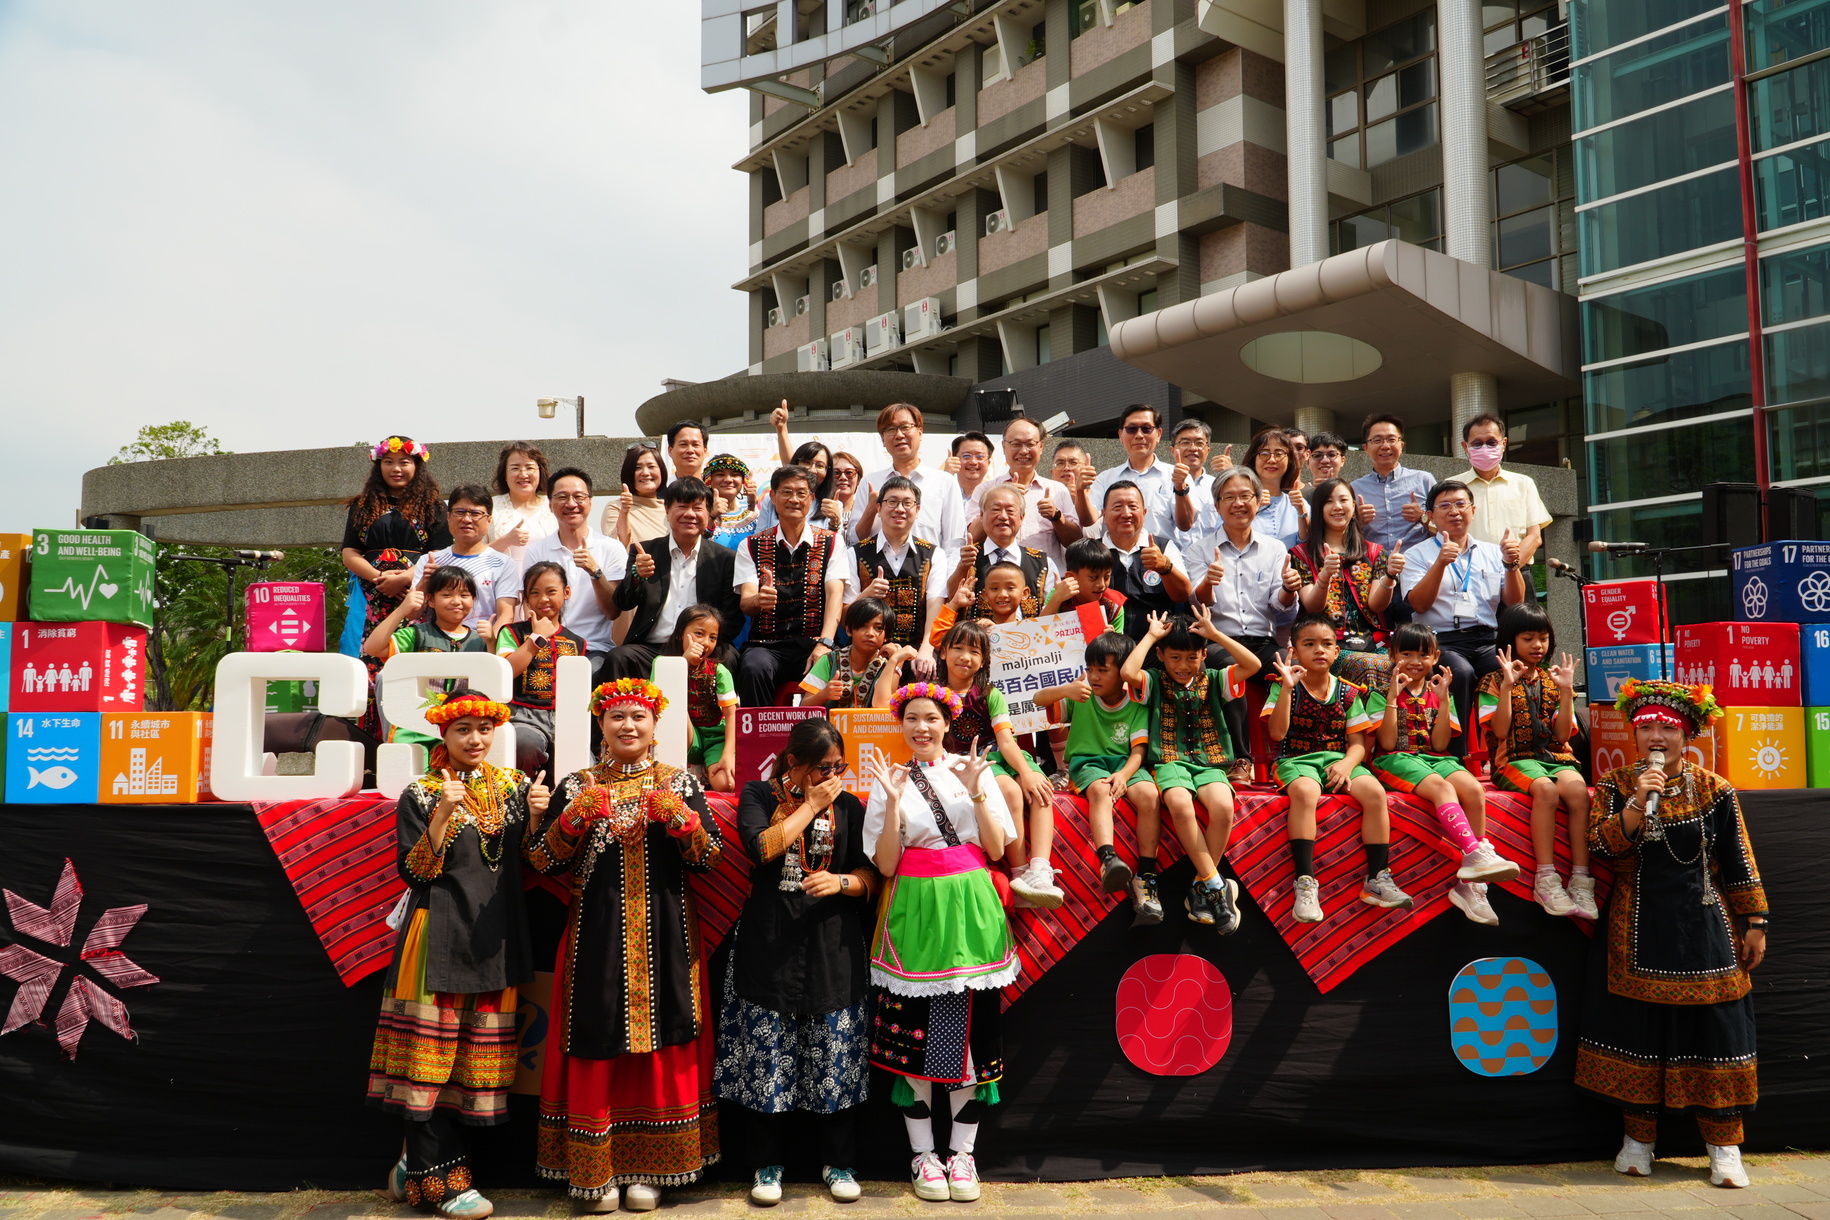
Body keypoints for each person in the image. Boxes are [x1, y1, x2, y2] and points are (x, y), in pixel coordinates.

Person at [527, 678, 723, 1211]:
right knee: (597, 1030)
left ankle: (658, 1170)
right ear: (601, 726)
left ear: (656, 725)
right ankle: (597, 1171)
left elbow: (709, 860)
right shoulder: (578, 785)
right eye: (617, 718)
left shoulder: (679, 783)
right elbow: (543, 863)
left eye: (638, 716)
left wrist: (682, 824)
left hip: (667, 933)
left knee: (668, 1033)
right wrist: (570, 819)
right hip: (598, 936)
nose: (628, 725)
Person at [1576, 680, 1768, 1190]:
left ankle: (1724, 1149)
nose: (1656, 736)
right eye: (1646, 729)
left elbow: (1738, 858)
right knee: (1639, 1030)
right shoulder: (1617, 785)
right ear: (1634, 737)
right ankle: (1637, 1143)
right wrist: (1639, 803)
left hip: (1706, 928)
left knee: (1716, 1032)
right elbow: (1603, 847)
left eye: (1667, 727)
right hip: (1636, 927)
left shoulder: (1715, 789)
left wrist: (1756, 922)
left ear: (1687, 734)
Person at [370, 689, 547, 1220]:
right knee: (428, 1063)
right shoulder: (421, 793)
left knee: (473, 1065)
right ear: (442, 736)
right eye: (463, 729)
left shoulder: (516, 787)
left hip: (496, 938)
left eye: (484, 729)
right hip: (437, 936)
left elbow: (536, 866)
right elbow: (416, 872)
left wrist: (537, 820)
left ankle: (412, 1162)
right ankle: (442, 1185)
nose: (475, 739)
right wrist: (444, 815)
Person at [864, 683, 1017, 1205]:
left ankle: (963, 1154)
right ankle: (923, 1156)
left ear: (947, 723)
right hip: (915, 911)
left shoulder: (974, 771)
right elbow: (886, 865)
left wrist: (976, 787)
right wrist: (887, 801)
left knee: (973, 1037)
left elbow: (996, 848)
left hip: (972, 908)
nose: (921, 727)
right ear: (900, 725)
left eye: (930, 718)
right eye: (912, 719)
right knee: (916, 1037)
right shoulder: (891, 780)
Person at [717, 718, 876, 1207]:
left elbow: (871, 871)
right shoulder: (759, 796)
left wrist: (843, 883)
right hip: (772, 942)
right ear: (793, 762)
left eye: (839, 767)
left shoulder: (850, 806)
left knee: (834, 1054)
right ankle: (767, 1167)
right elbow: (761, 848)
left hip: (833, 945)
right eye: (822, 767)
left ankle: (838, 1162)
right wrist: (809, 805)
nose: (832, 776)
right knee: (769, 1056)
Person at [1366, 622, 1519, 926]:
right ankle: (1474, 852)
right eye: (1406, 653)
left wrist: (1446, 697)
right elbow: (1384, 742)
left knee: (1475, 790)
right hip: (1395, 758)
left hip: (1435, 756)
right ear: (1392, 655)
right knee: (1442, 789)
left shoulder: (1438, 691)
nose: (1415, 661)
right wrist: (1393, 699)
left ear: (1435, 657)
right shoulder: (1379, 691)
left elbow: (1439, 743)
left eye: (1423, 655)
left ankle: (1471, 885)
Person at [1264, 615, 1412, 923]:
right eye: (1309, 644)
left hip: (1337, 759)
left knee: (1374, 792)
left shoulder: (1349, 692)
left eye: (1327, 644)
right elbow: (1277, 734)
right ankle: (1305, 882)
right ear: (1294, 650)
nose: (1319, 650)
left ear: (1336, 652)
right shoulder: (1283, 686)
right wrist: (1288, 690)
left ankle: (1377, 878)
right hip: (1295, 760)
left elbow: (1357, 744)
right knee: (1305, 792)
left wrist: (1346, 764)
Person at [900, 621, 1061, 907]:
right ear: (944, 652)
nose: (965, 657)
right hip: (970, 761)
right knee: (1010, 792)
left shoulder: (990, 693)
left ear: (984, 659)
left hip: (1001, 753)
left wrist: (1027, 771)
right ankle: (1019, 872)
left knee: (1040, 788)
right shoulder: (932, 693)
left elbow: (1007, 741)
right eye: (958, 648)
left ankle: (1040, 869)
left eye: (974, 651)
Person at [1122, 610, 1262, 931]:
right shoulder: (1154, 680)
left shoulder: (1214, 678)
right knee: (1180, 804)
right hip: (1169, 760)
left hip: (1210, 761)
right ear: (1160, 655)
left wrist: (1216, 636)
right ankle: (1215, 885)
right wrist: (1151, 635)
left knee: (1225, 807)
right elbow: (1129, 672)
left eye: (1192, 657)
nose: (1183, 666)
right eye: (1174, 657)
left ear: (1203, 655)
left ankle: (1201, 885)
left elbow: (1253, 665)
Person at [1478, 602, 1596, 919]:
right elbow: (1500, 731)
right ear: (1510, 640)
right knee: (1546, 791)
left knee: (1578, 793)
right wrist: (1506, 685)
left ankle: (1582, 881)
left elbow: (1562, 736)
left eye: (1542, 638)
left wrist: (1568, 691)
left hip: (1555, 757)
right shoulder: (1491, 681)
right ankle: (1546, 879)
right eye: (1528, 638)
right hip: (1513, 759)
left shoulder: (1551, 680)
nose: (1537, 645)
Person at [1396, 479, 1529, 756]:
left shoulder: (1493, 552)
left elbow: (1514, 602)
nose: (1454, 511)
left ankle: (1511, 754)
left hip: (1486, 638)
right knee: (1461, 672)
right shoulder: (1417, 554)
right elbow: (1419, 604)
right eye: (1444, 506)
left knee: (1510, 669)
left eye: (1460, 504)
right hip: (1440, 642)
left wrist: (1511, 565)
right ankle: (1457, 756)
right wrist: (1441, 563)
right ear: (1430, 516)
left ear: (1473, 510)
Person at [1188, 468, 1302, 777]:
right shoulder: (1199, 549)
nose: (1239, 504)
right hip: (1217, 640)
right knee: (1229, 671)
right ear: (1217, 505)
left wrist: (1290, 590)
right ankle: (1241, 759)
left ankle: (1298, 754)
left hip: (1262, 642)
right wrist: (1208, 583)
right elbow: (1196, 604)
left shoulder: (1275, 549)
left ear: (1257, 501)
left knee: (1298, 670)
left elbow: (1281, 610)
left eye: (1245, 496)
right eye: (1230, 498)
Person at [1034, 632, 1158, 906]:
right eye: (1090, 669)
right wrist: (1066, 690)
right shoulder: (1080, 695)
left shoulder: (1137, 701)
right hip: (1088, 763)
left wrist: (1124, 776)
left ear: (1123, 672)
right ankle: (1108, 858)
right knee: (1101, 791)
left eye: (1103, 670)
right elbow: (1038, 699)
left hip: (1125, 764)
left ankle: (1147, 874)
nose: (1094, 677)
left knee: (1150, 795)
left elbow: (1139, 750)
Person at [342, 435, 451, 734]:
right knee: (370, 666)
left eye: (404, 462)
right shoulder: (362, 505)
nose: (396, 468)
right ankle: (372, 748)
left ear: (417, 464)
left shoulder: (433, 506)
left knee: (419, 667)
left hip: (418, 596)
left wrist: (405, 577)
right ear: (378, 466)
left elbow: (442, 553)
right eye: (388, 462)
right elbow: (350, 552)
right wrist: (377, 577)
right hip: (371, 597)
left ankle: (421, 738)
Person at [607, 477, 741, 681]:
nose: (690, 514)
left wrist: (705, 642)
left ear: (708, 513)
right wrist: (636, 577)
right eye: (682, 506)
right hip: (651, 649)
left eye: (698, 508)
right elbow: (622, 603)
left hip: (704, 649)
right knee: (619, 657)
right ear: (667, 510)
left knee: (729, 657)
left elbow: (732, 617)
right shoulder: (645, 551)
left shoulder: (725, 559)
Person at [735, 465, 844, 706]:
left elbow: (835, 595)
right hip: (768, 646)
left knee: (834, 667)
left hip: (815, 640)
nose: (794, 499)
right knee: (753, 667)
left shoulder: (832, 542)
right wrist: (758, 601)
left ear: (812, 499)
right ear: (772, 497)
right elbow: (746, 602)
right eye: (786, 492)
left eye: (801, 493)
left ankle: (825, 742)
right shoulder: (751, 545)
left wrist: (824, 643)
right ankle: (760, 741)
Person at [1289, 478, 1399, 689]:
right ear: (1319, 508)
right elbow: (1312, 607)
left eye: (1343, 500)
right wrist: (1325, 576)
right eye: (1329, 501)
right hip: (1326, 645)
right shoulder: (1302, 554)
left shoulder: (1375, 552)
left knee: (1407, 663)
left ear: (1353, 506)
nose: (1337, 507)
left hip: (1372, 641)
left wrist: (1390, 576)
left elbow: (1376, 606)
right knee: (1370, 666)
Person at [521, 468, 627, 683]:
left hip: (593, 648)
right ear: (550, 504)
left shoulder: (611, 548)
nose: (571, 504)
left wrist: (595, 572)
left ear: (590, 502)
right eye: (562, 497)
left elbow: (613, 611)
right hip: (546, 646)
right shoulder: (537, 551)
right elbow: (530, 607)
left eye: (579, 497)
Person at [364, 567, 491, 746]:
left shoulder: (481, 639)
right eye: (447, 595)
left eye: (464, 595)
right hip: (419, 721)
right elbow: (372, 648)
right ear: (430, 600)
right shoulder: (418, 634)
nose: (456, 601)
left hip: (464, 725)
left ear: (473, 600)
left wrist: (491, 642)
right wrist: (402, 610)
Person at [841, 473, 946, 673]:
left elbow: (935, 606)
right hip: (867, 653)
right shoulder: (855, 553)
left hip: (916, 651)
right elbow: (845, 616)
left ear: (917, 510)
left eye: (907, 503)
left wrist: (926, 649)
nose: (899, 509)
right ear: (878, 508)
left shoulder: (934, 555)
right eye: (892, 502)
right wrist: (867, 595)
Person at [497, 560, 587, 775]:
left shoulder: (578, 642)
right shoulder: (511, 632)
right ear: (526, 599)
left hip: (566, 718)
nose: (543, 599)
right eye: (535, 593)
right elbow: (506, 671)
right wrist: (536, 639)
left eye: (551, 591)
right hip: (523, 716)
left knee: (582, 762)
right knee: (525, 745)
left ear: (566, 592)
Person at [966, 416, 1082, 567]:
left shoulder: (1057, 490)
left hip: (1045, 579)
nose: (1023, 451)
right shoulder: (984, 490)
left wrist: (1056, 516)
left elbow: (1075, 543)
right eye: (1016, 444)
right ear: (1004, 447)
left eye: (1030, 444)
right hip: (997, 581)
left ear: (1041, 446)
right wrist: (999, 500)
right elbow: (972, 537)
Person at [411, 486, 522, 638]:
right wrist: (424, 583)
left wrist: (489, 645)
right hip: (436, 646)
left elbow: (506, 615)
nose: (467, 519)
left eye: (476, 513)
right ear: (448, 517)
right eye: (460, 512)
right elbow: (412, 614)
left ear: (489, 520)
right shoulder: (429, 561)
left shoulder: (503, 564)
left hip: (482, 646)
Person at [853, 403, 966, 549]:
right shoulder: (870, 482)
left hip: (930, 569)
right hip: (878, 569)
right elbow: (854, 540)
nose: (899, 435)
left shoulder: (945, 482)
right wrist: (871, 508)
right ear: (882, 438)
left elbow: (954, 542)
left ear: (920, 432)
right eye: (891, 429)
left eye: (905, 427)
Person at [655, 604, 738, 793]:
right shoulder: (662, 665)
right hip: (685, 737)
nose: (706, 642)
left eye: (713, 637)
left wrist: (727, 755)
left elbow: (732, 715)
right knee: (674, 706)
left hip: (716, 739)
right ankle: (693, 767)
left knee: (726, 784)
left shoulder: (720, 671)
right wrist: (683, 663)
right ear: (680, 634)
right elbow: (660, 701)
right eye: (699, 634)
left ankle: (706, 768)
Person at [1452, 413, 1551, 567]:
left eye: (1492, 442)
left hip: (1517, 572)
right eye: (1477, 443)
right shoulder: (1452, 486)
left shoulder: (1523, 483)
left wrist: (1511, 568)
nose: (1485, 448)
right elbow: (1442, 533)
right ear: (1465, 446)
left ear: (1504, 443)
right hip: (1468, 575)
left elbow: (1534, 536)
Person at [952, 483, 1059, 621]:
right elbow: (949, 598)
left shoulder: (1043, 563)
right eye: (996, 509)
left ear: (1022, 517)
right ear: (982, 515)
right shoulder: (963, 555)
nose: (1003, 516)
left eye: (1010, 510)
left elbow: (1050, 617)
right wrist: (963, 567)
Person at [1101, 481, 1191, 643]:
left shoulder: (1164, 547)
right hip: (1107, 648)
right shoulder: (1093, 550)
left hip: (1157, 647)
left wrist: (1165, 568)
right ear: (1104, 514)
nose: (1126, 513)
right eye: (1117, 507)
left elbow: (1183, 595)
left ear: (1144, 512)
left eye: (1133, 507)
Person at [1087, 404, 1178, 540]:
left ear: (1158, 434)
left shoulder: (1175, 476)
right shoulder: (1105, 478)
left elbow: (1186, 524)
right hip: (1115, 557)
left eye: (1146, 429)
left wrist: (1182, 488)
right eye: (1131, 429)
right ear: (1121, 435)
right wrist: (1080, 490)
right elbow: (1089, 519)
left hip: (1162, 556)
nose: (1139, 435)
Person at [1352, 414, 1435, 552]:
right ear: (1365, 448)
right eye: (1377, 440)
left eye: (1391, 439)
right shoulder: (1354, 488)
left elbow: (1444, 530)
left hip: (1418, 565)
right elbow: (1340, 537)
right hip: (1373, 567)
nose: (1385, 446)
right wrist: (1357, 522)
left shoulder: (1424, 480)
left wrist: (1422, 517)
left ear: (1401, 445)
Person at [767, 402, 847, 536]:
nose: (812, 469)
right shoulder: (772, 501)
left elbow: (837, 549)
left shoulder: (833, 505)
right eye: (806, 462)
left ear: (828, 471)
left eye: (820, 465)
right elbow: (759, 538)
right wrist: (781, 429)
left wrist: (835, 522)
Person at [800, 598, 896, 709]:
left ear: (886, 636)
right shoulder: (829, 660)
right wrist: (825, 694)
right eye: (863, 626)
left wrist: (897, 660)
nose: (870, 633)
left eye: (878, 628)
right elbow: (804, 707)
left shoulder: (886, 667)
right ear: (848, 630)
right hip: (830, 726)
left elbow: (889, 709)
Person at [486, 442, 557, 571]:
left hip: (546, 588)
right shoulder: (489, 507)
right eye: (515, 468)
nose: (523, 474)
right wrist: (506, 540)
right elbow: (473, 555)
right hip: (501, 587)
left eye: (529, 468)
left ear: (540, 472)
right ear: (504, 475)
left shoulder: (555, 506)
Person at [1241, 427, 1306, 546]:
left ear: (1289, 460)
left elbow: (1309, 543)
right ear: (1253, 459)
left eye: (1279, 454)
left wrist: (1302, 512)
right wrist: (1251, 509)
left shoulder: (1298, 504)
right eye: (1264, 453)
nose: (1272, 460)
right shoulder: (1238, 502)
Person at [599, 442, 668, 547]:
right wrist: (625, 512)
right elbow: (616, 548)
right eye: (637, 468)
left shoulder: (672, 507)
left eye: (651, 466)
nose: (645, 472)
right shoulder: (616, 508)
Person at [1055, 537, 1127, 634]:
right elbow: (1039, 629)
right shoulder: (1060, 593)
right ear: (1071, 577)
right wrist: (1056, 599)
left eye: (1107, 577)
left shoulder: (1114, 606)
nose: (1101, 585)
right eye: (1093, 577)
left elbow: (1118, 647)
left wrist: (1109, 639)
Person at [706, 454, 760, 553]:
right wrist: (712, 517)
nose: (728, 480)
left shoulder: (754, 519)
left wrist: (752, 504)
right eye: (720, 475)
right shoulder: (699, 514)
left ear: (744, 481)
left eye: (735, 475)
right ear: (709, 480)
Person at [946, 430, 994, 510]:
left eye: (980, 457)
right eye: (967, 456)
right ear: (954, 459)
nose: (973, 462)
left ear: (988, 463)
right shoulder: (943, 493)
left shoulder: (994, 497)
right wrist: (946, 477)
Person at [666, 420, 710, 486]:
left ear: (705, 451)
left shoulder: (715, 492)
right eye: (683, 444)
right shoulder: (659, 493)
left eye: (695, 445)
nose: (690, 450)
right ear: (670, 450)